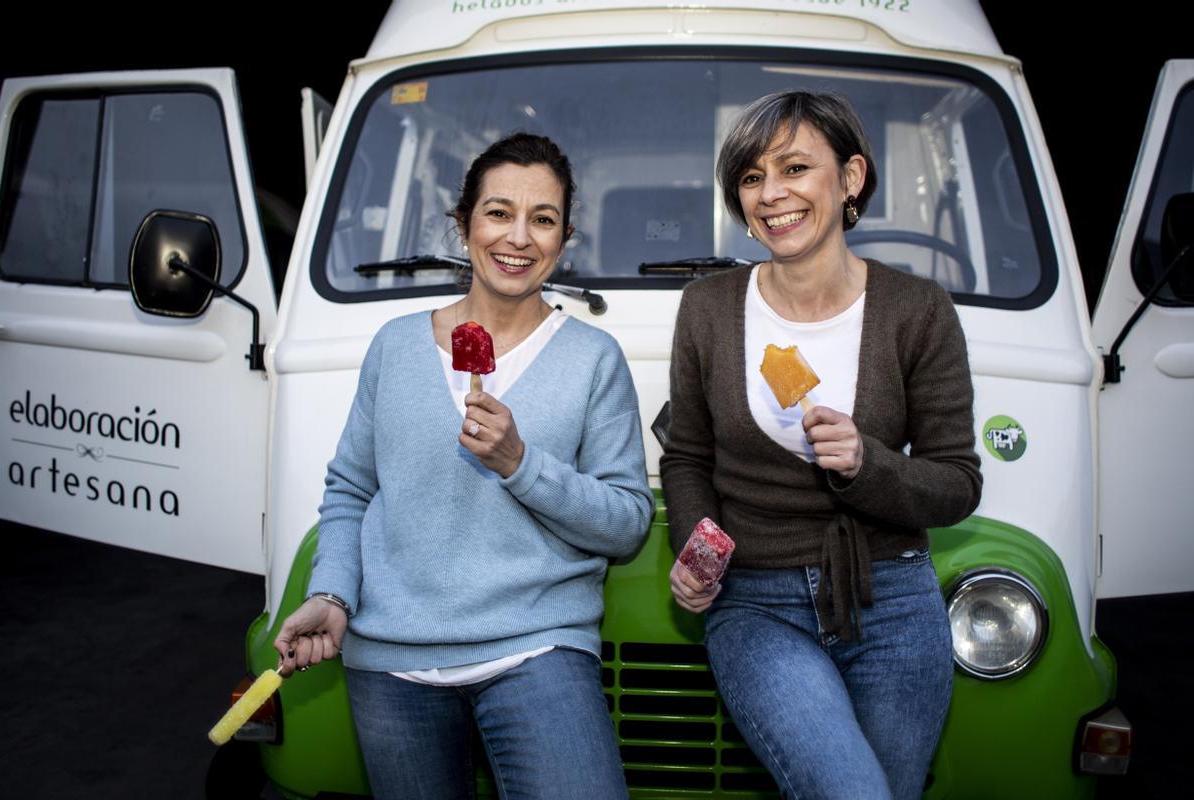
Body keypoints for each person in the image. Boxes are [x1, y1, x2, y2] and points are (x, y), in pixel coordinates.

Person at [274, 133, 653, 800]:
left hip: (538, 648)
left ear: (564, 238)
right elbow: (351, 491)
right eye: (498, 212)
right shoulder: (394, 346)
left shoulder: (594, 359)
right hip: (391, 661)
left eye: (543, 219)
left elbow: (626, 524)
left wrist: (520, 463)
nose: (519, 237)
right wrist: (332, 594)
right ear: (464, 223)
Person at [660, 91, 982, 800]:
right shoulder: (709, 308)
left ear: (852, 177)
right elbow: (687, 456)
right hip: (756, 602)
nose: (770, 194)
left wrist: (869, 464)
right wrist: (696, 547)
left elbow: (957, 483)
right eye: (750, 177)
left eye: (795, 168)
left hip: (891, 599)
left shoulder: (917, 311)